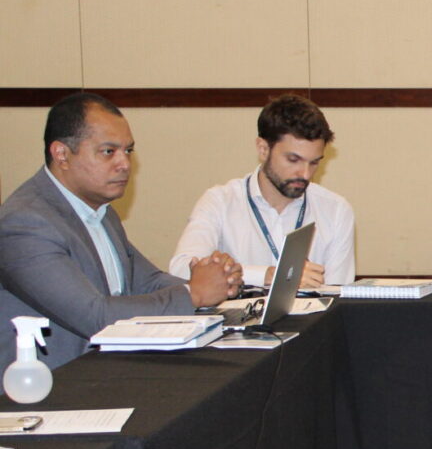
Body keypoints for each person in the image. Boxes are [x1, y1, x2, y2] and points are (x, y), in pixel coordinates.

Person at [0, 92, 241, 368]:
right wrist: (194, 294)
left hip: (103, 371)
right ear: (62, 154)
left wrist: (216, 281)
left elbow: (147, 281)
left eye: (128, 151)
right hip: (50, 384)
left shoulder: (99, 210)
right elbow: (95, 317)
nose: (124, 164)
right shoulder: (25, 223)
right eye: (108, 152)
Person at [169, 94, 355, 289]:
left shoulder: (335, 211)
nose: (305, 174)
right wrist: (267, 275)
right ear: (263, 149)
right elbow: (181, 268)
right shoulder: (220, 202)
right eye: (293, 160)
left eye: (314, 162)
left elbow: (339, 293)